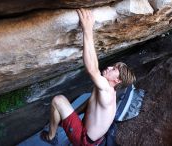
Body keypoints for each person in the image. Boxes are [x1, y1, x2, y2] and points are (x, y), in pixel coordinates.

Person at [40, 8, 136, 146]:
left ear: (118, 80)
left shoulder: (106, 91)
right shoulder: (105, 89)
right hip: (94, 139)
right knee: (64, 106)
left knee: (58, 100)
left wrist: (87, 29)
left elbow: (92, 69)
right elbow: (90, 103)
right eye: (113, 66)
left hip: (84, 141)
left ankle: (50, 137)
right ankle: (58, 127)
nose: (109, 67)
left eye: (114, 69)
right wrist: (72, 114)